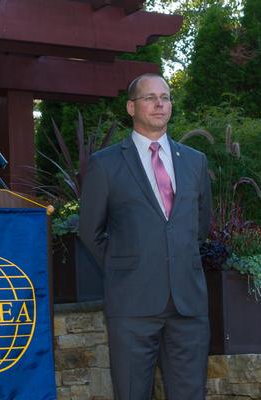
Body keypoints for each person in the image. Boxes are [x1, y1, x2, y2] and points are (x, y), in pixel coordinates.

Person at [79, 73, 212, 399]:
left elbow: (200, 226)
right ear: (131, 107)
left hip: (188, 307)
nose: (159, 104)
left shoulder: (195, 162)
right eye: (150, 97)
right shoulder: (106, 164)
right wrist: (124, 266)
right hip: (132, 307)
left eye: (165, 97)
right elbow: (89, 231)